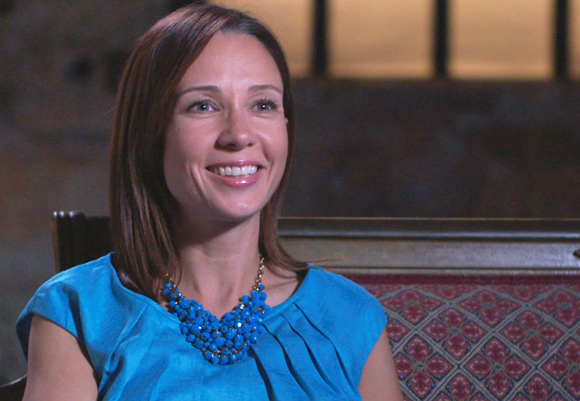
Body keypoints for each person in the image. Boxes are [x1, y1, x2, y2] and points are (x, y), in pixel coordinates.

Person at [16, 3, 402, 400]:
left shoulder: (351, 316)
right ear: (149, 135)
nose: (239, 135)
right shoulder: (76, 312)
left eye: (263, 105)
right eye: (202, 106)